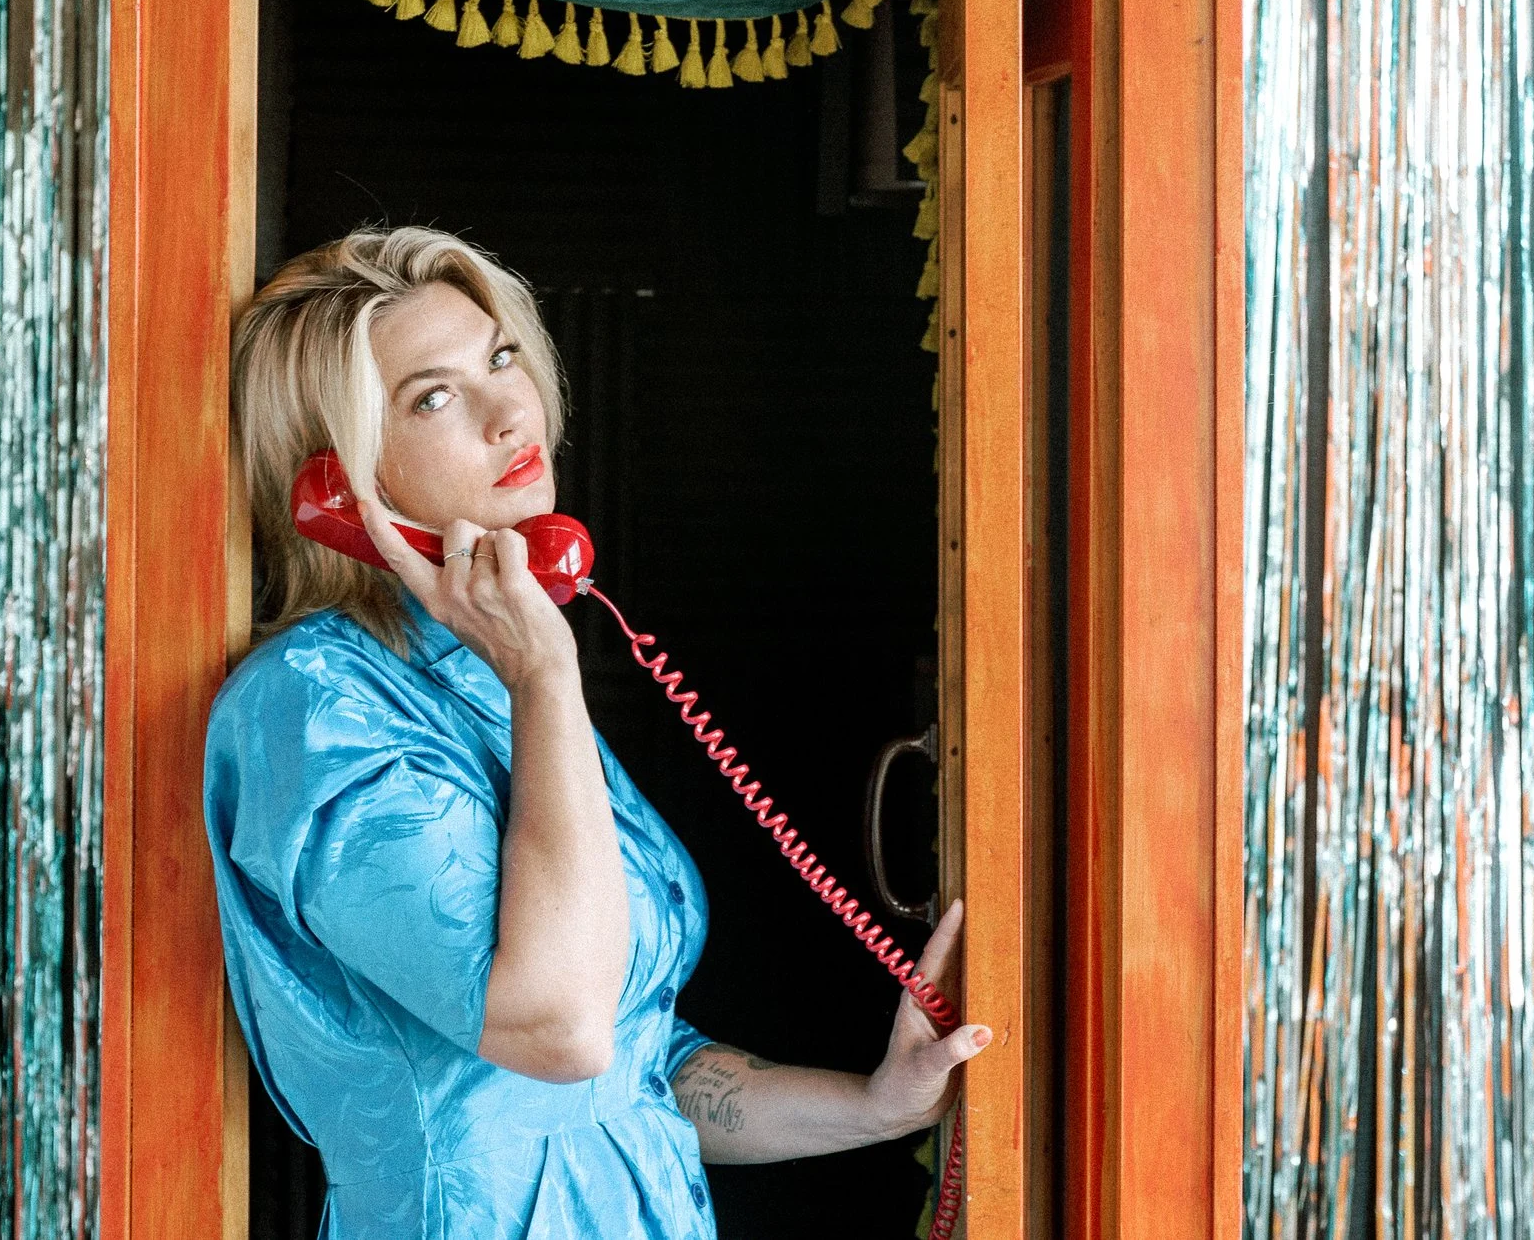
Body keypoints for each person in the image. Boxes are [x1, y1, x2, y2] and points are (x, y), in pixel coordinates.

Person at [204, 225, 990, 1239]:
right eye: (431, 395)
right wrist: (545, 672)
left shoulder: (493, 674)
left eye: (499, 357)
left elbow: (632, 1065)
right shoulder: (311, 707)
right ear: (339, 485)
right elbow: (561, 1026)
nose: (506, 407)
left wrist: (875, 1105)